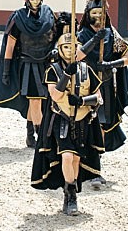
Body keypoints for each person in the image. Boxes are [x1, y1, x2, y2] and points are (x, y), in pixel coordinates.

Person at [32, 31, 105, 216]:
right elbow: (55, 95)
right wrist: (66, 75)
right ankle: (71, 196)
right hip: (62, 119)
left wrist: (82, 101)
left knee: (76, 159)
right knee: (66, 156)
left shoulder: (86, 69)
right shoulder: (53, 69)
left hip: (82, 120)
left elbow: (99, 97)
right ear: (60, 49)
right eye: (65, 47)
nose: (69, 50)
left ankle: (69, 188)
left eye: (73, 47)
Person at [0, 0, 56, 148]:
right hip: (28, 64)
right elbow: (11, 45)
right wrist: (6, 70)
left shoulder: (48, 14)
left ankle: (30, 135)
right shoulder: (19, 17)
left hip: (46, 63)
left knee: (41, 101)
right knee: (35, 100)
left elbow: (56, 34)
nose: (35, 2)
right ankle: (40, 135)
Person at [77, 0, 128, 166]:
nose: (98, 15)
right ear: (88, 14)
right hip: (87, 86)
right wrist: (94, 40)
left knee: (103, 122)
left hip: (107, 84)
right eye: (94, 12)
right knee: (87, 120)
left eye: (100, 12)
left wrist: (111, 64)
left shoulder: (112, 33)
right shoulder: (81, 34)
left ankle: (97, 158)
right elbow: (76, 56)